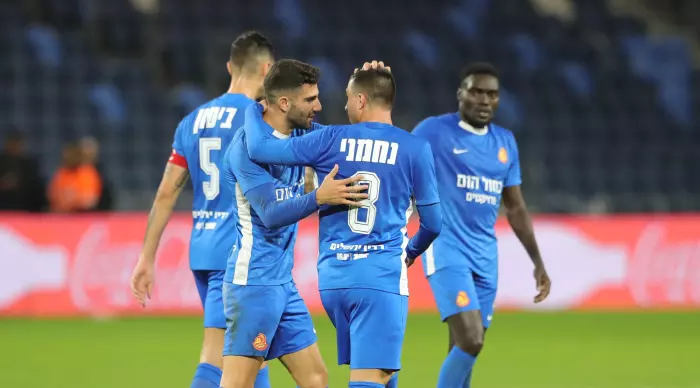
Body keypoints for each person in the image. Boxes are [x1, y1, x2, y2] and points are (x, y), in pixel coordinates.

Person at [241, 63, 443, 388]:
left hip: (334, 280)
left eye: (349, 98)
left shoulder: (330, 139)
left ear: (361, 101)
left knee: (385, 374)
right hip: (380, 280)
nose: (345, 106)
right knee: (370, 378)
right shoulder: (415, 149)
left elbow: (261, 148)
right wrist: (411, 252)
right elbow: (433, 223)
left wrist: (254, 107)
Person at [130, 31, 278, 388]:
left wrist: (146, 258)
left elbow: (166, 194)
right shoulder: (261, 119)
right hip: (239, 258)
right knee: (216, 357)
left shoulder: (192, 121)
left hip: (204, 251)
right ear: (268, 70)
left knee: (253, 356)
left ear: (230, 67)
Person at [219, 59, 370, 388]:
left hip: (282, 284)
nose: (318, 105)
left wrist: (369, 87)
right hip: (253, 283)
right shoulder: (245, 148)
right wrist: (319, 197)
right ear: (284, 103)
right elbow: (270, 214)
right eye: (310, 99)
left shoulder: (302, 135)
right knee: (236, 384)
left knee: (315, 377)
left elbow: (343, 140)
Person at [411, 62, 552, 387]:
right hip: (446, 250)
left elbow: (515, 208)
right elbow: (399, 159)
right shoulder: (433, 131)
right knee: (472, 339)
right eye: (476, 92)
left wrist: (537, 262)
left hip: (485, 258)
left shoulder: (505, 142)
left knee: (464, 349)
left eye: (492, 94)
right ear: (461, 94)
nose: (485, 100)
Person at [47, 141, 101, 213]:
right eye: (67, 155)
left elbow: (90, 200)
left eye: (72, 154)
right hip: (63, 215)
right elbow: (54, 197)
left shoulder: (87, 172)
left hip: (83, 215)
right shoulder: (61, 173)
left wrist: (72, 199)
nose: (69, 157)